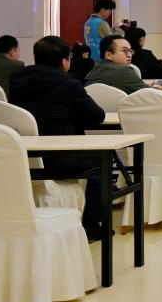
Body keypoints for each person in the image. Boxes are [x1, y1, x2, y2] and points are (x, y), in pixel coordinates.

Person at [9, 35, 106, 238]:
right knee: (102, 163)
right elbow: (97, 116)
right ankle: (91, 225)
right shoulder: (68, 84)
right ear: (64, 61)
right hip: (60, 159)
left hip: (24, 159)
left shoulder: (17, 81)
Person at [85, 34, 149, 94]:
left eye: (130, 51)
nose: (129, 55)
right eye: (125, 50)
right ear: (108, 55)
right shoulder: (124, 71)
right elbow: (151, 94)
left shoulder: (92, 73)